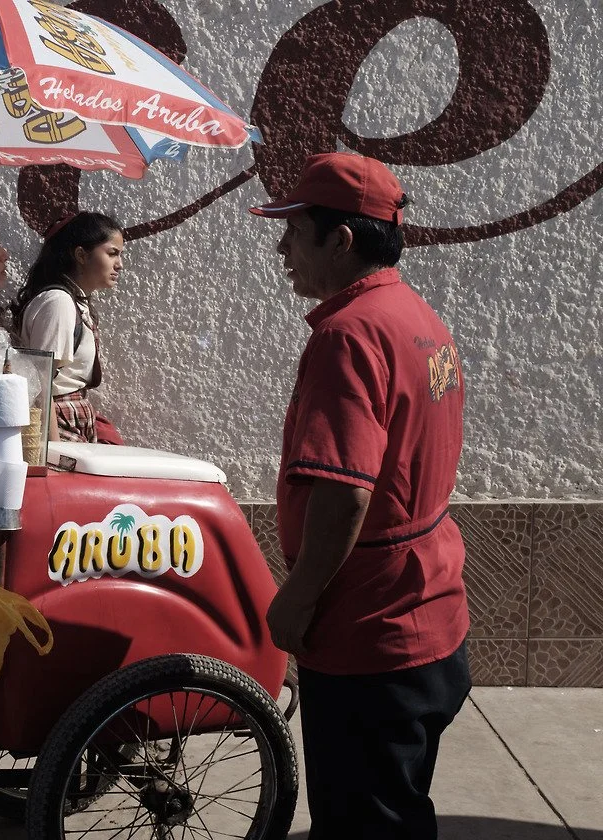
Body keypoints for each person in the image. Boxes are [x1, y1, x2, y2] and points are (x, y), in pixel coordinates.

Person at [249, 152, 470, 840]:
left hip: (372, 633)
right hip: (426, 615)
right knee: (393, 810)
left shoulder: (349, 336)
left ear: (340, 240)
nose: (282, 248)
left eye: (296, 231)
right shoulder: (411, 313)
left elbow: (345, 493)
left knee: (366, 823)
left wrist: (300, 593)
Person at [11, 212, 124, 442]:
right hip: (58, 426)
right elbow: (42, 387)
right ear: (81, 255)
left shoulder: (73, 302)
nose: (119, 264)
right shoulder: (59, 303)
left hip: (71, 421)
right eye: (112, 253)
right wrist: (53, 450)